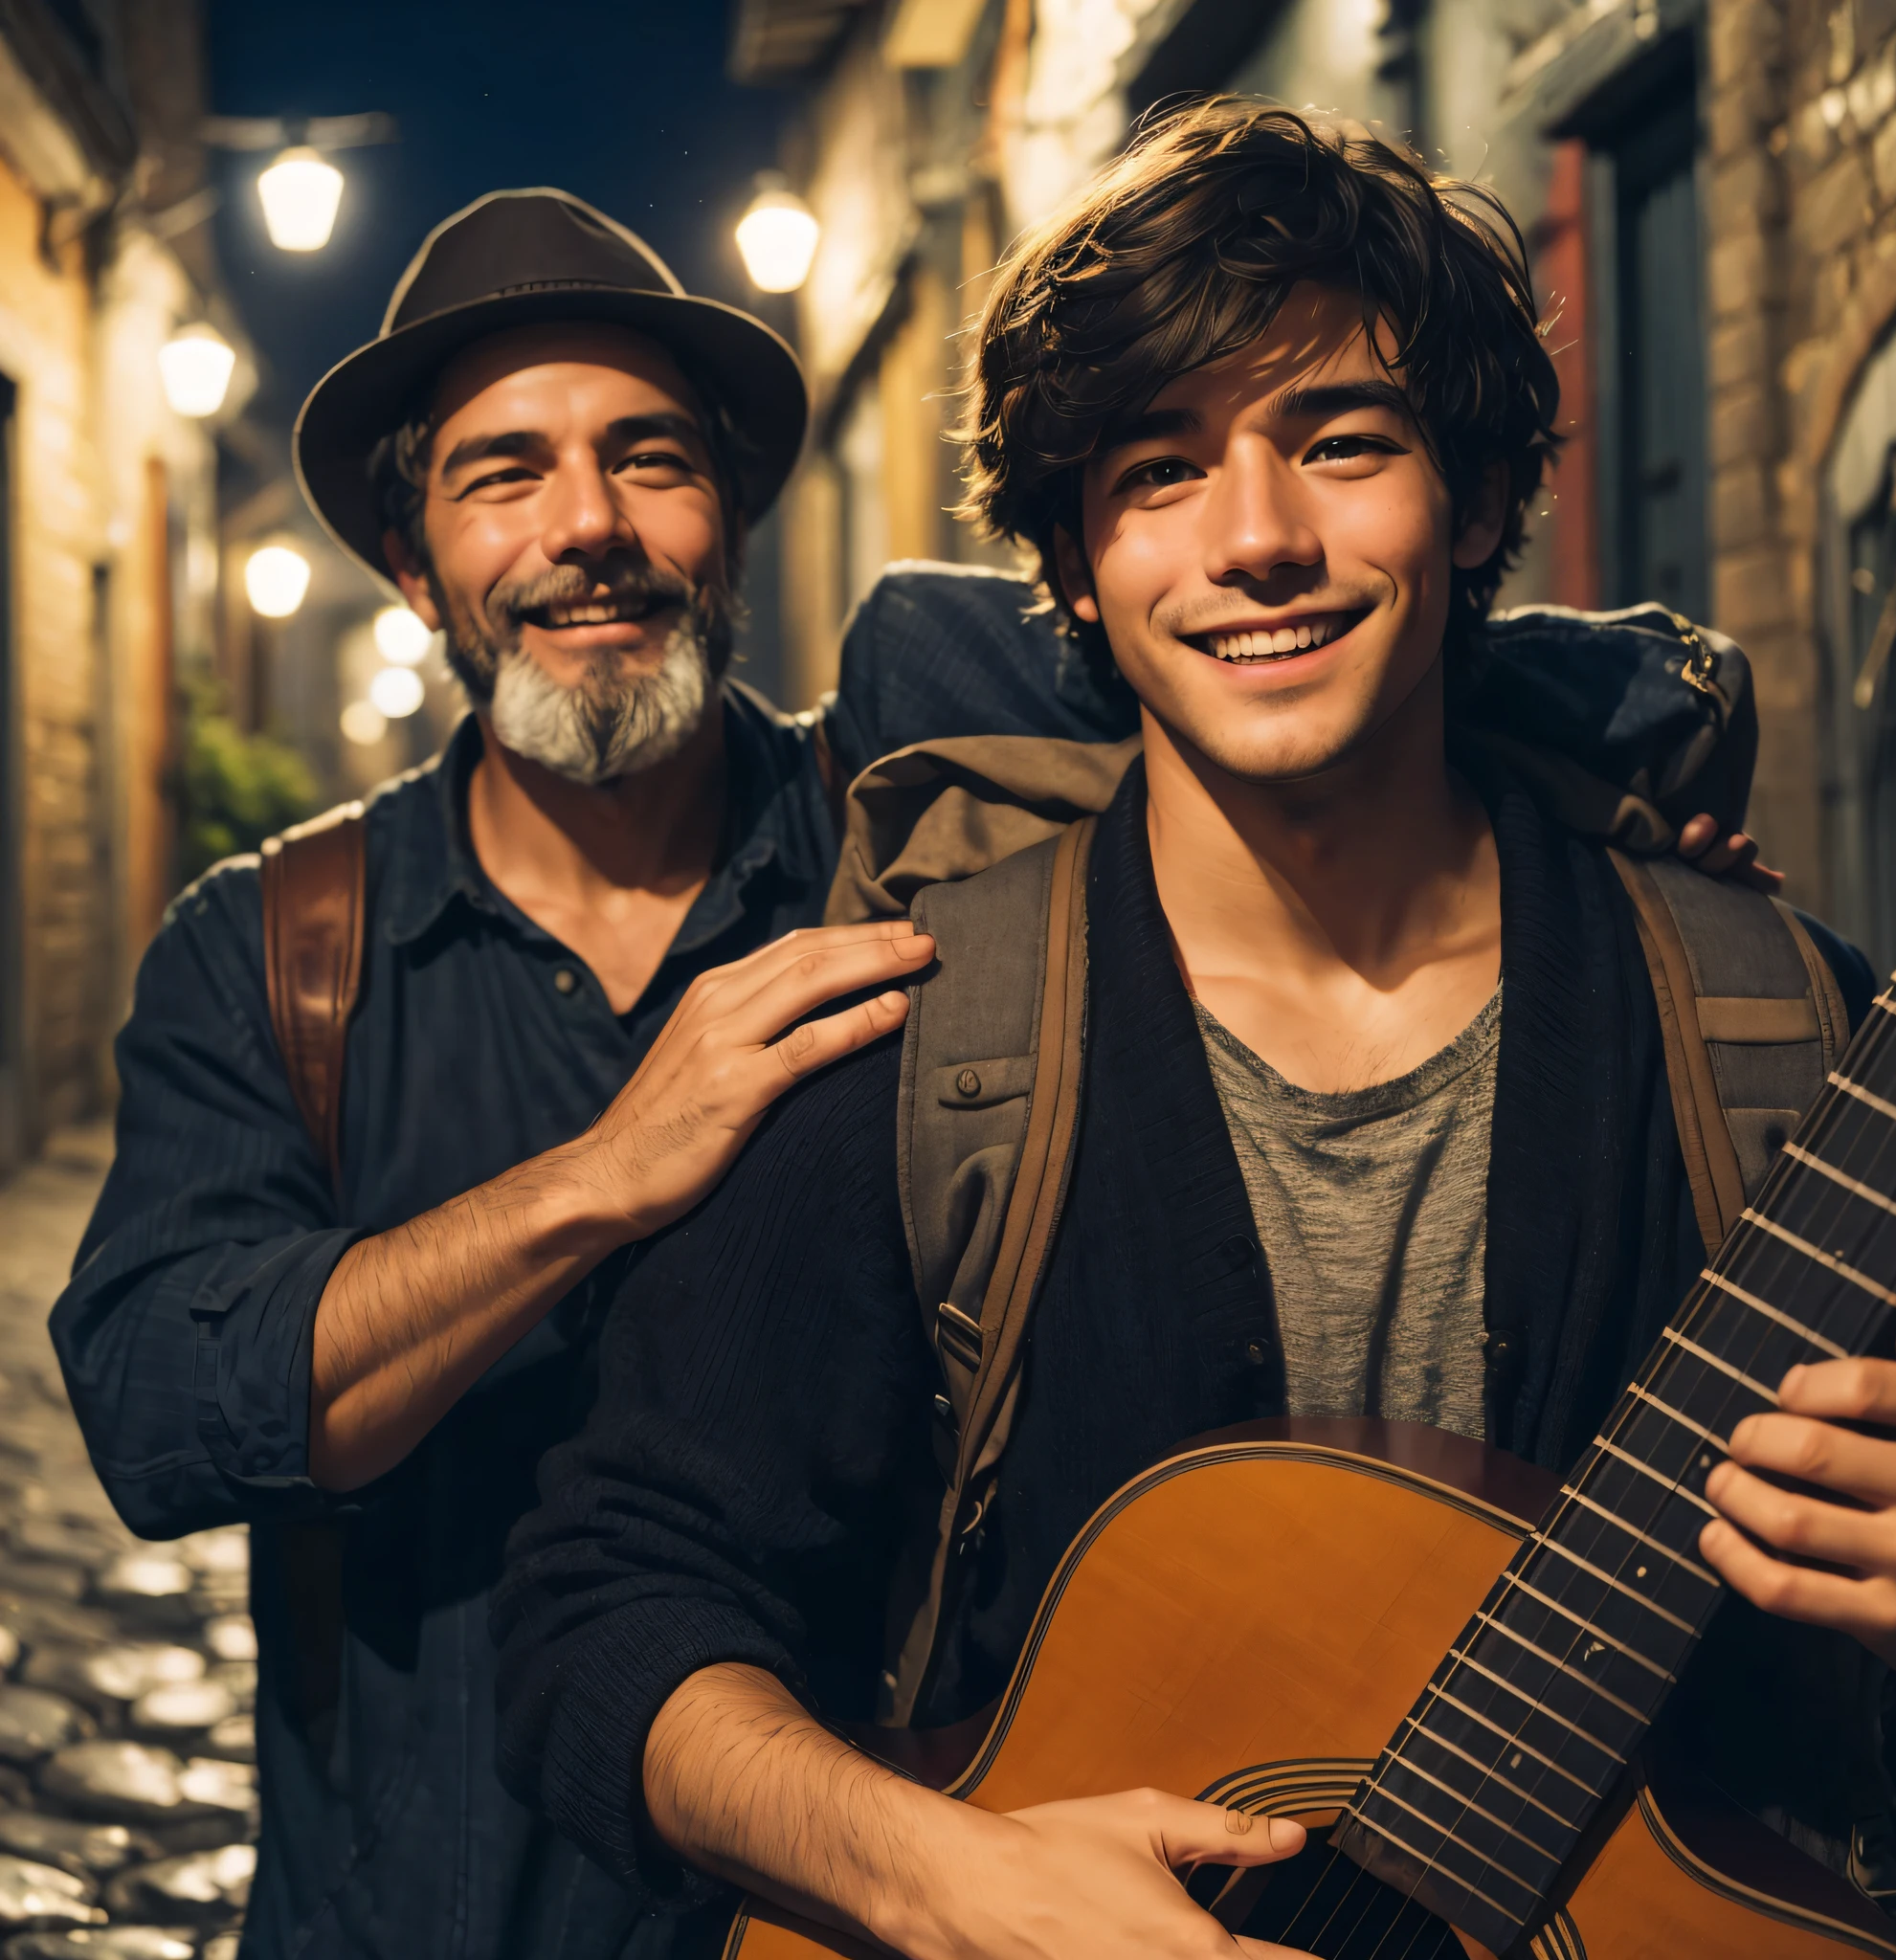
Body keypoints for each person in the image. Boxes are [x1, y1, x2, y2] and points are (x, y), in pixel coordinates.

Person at [492, 103, 1896, 1960]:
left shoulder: (1792, 1043)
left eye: (1341, 442)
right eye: (1161, 472)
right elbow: (603, 1612)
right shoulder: (918, 1048)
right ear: (1079, 564)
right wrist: (939, 1873)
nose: (1257, 539)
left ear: (1482, 500)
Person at [44, 190, 1152, 1960]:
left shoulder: (932, 863)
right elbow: (164, 1414)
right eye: (504, 476)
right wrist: (593, 1180)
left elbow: (1269, 651)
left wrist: (1603, 779)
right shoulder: (278, 949)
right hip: (419, 1915)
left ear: (729, 524)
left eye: (649, 461)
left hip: (853, 1906)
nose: (588, 528)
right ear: (417, 572)